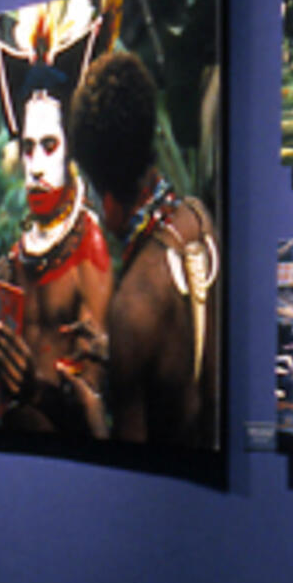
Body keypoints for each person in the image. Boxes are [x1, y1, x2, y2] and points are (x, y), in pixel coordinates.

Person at [63, 51, 219, 445]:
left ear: (108, 201)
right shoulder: (199, 221)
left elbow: (131, 468)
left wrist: (92, 406)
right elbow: (179, 365)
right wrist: (115, 352)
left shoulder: (132, 304)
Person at [0, 68, 113, 436]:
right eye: (27, 148)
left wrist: (33, 391)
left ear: (70, 148)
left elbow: (91, 400)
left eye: (49, 145)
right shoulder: (15, 259)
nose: (36, 166)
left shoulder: (89, 247)